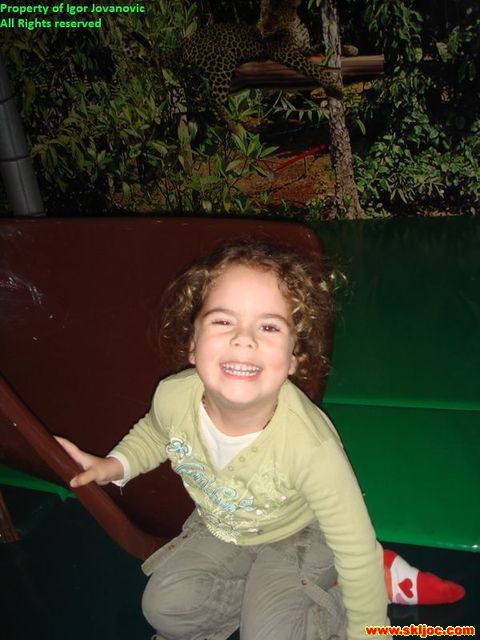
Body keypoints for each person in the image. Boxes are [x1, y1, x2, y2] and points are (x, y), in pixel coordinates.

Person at [56, 239, 463, 640]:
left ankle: (353, 588)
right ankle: (266, 598)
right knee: (165, 608)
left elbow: (356, 550)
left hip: (299, 536)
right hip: (227, 528)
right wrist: (114, 465)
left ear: (293, 358)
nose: (244, 338)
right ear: (193, 344)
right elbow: (156, 433)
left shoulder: (310, 447)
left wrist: (369, 632)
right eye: (223, 321)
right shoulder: (173, 396)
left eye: (268, 326)